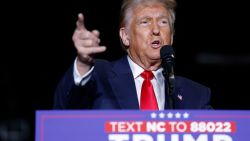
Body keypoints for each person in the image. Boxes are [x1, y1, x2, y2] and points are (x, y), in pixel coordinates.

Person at [53, 0, 212, 110]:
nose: (156, 30)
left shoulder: (195, 94)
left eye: (163, 22)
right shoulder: (99, 76)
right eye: (145, 21)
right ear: (125, 36)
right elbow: (63, 113)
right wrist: (82, 63)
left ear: (171, 35)